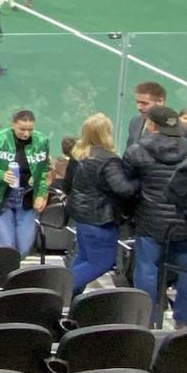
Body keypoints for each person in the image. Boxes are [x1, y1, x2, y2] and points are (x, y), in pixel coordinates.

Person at [109, 104, 187, 327]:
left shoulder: (136, 152)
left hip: (150, 220)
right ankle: (185, 321)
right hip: (185, 221)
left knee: (147, 269)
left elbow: (127, 186)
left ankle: (146, 319)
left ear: (151, 125)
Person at [0, 109, 52, 252]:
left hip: (26, 197)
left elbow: (42, 172)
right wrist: (1, 174)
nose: (26, 134)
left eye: (30, 129)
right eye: (22, 129)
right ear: (13, 124)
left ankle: (14, 264)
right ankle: (2, 265)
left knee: (24, 247)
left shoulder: (42, 141)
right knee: (5, 247)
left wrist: (41, 195)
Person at [63, 114, 123, 289]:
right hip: (100, 219)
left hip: (81, 217)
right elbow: (122, 189)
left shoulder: (77, 156)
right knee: (101, 263)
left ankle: (68, 297)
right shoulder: (108, 159)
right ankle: (61, 289)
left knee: (84, 258)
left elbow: (67, 185)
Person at [126, 81, 167, 152]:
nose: (139, 107)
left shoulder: (176, 130)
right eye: (137, 102)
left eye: (145, 103)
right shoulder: (135, 121)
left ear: (160, 102)